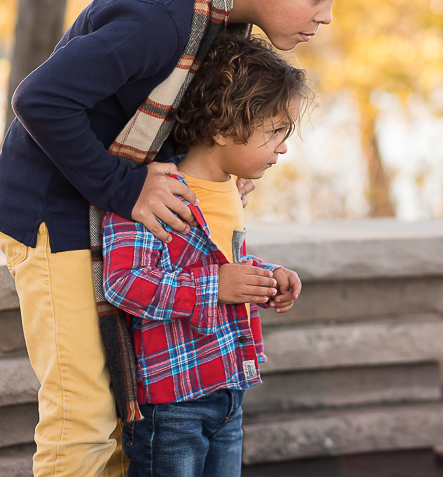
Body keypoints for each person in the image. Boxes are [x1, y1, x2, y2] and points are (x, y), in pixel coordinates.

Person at [0, 0, 367, 477]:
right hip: (53, 213)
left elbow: (163, 113)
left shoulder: (222, 18)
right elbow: (40, 99)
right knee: (81, 419)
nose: (325, 17)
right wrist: (127, 187)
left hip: (114, 219)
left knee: (123, 414)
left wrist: (218, 168)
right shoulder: (160, 15)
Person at [102, 33, 307, 477]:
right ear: (221, 128)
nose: (284, 146)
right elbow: (124, 283)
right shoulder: (156, 192)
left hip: (229, 387)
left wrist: (266, 277)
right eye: (274, 132)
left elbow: (219, 266)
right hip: (174, 403)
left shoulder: (232, 192)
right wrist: (220, 287)